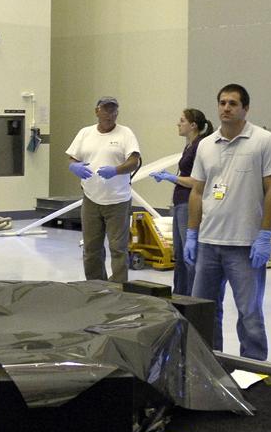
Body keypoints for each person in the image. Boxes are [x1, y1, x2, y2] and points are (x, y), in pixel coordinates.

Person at [184, 84, 271, 356]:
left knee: (249, 315)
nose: (226, 108)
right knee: (202, 311)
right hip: (208, 243)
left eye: (233, 103)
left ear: (245, 108)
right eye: (222, 103)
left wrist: (264, 235)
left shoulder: (263, 141)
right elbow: (197, 191)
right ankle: (209, 366)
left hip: (245, 245)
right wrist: (192, 233)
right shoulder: (205, 145)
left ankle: (253, 370)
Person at [65, 96, 142, 283]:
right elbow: (72, 157)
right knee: (91, 248)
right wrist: (74, 166)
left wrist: (116, 170)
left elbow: (134, 161)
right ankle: (96, 286)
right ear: (97, 111)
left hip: (118, 201)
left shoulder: (125, 134)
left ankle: (119, 289)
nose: (111, 114)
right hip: (91, 198)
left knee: (118, 248)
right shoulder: (85, 133)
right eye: (106, 110)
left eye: (114, 110)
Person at [150, 108, 213, 295]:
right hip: (179, 204)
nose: (178, 124)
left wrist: (171, 177)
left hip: (189, 205)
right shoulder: (189, 146)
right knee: (179, 255)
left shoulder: (199, 147)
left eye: (182, 120)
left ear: (193, 125)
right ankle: (180, 295)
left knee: (189, 256)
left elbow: (196, 181)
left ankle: (194, 296)